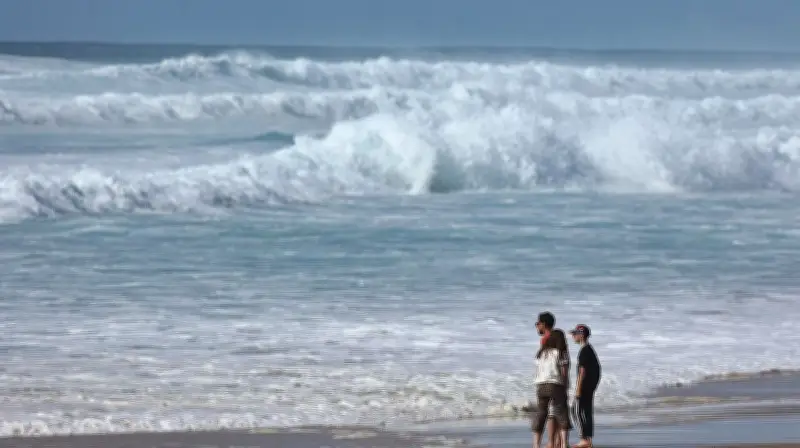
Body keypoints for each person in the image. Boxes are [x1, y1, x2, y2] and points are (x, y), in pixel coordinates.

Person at [532, 328, 570, 448]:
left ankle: (536, 444)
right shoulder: (560, 353)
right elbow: (564, 371)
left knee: (541, 413)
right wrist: (565, 385)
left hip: (541, 385)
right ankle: (563, 443)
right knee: (561, 412)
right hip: (555, 384)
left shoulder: (541, 353)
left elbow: (538, 369)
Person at [569, 324, 601, 448]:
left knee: (576, 411)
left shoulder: (584, 351)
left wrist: (578, 388)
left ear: (581, 335)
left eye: (575, 334)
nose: (573, 336)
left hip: (584, 387)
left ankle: (584, 439)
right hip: (589, 387)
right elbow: (597, 370)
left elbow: (582, 372)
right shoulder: (589, 350)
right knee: (586, 412)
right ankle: (588, 440)